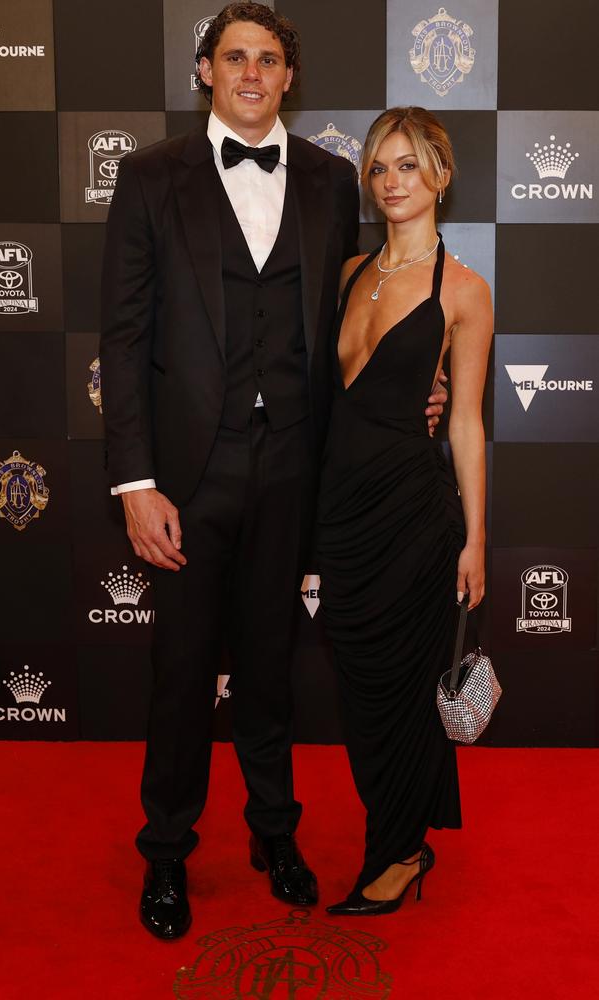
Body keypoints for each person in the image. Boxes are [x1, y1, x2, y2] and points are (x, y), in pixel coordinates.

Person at [100, 5, 446, 941]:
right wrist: (136, 483)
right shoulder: (148, 178)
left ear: (289, 77)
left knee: (269, 670)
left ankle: (274, 835)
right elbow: (124, 339)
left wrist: (419, 381)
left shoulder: (336, 180)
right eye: (234, 57)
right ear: (206, 71)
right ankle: (167, 852)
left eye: (268, 59)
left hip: (296, 467)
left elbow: (364, 311)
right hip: (184, 479)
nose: (251, 72)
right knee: (181, 675)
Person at [316, 107, 493, 916]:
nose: (393, 183)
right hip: (343, 515)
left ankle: (396, 853)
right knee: (360, 685)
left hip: (417, 519)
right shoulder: (351, 270)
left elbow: (465, 419)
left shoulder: (462, 290)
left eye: (409, 167)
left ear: (441, 177)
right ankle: (400, 835)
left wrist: (477, 539)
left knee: (401, 686)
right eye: (380, 168)